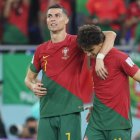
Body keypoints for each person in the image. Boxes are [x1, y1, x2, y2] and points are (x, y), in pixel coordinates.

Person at [24, 4, 116, 140]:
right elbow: (28, 79)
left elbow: (110, 34)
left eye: (57, 15)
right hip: (45, 113)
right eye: (49, 16)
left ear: (67, 20)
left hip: (69, 112)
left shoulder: (76, 42)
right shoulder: (40, 50)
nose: (53, 19)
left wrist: (100, 57)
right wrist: (32, 86)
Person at [77, 24, 140, 140]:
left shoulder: (120, 57)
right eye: (85, 51)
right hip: (97, 122)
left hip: (118, 122)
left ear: (101, 43)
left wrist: (100, 57)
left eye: (91, 50)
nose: (88, 54)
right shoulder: (91, 58)